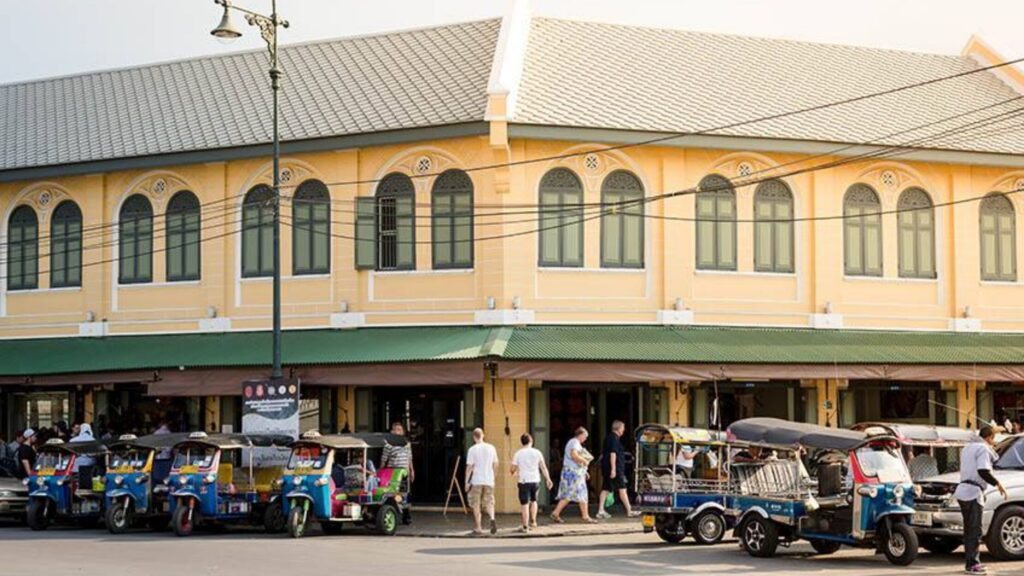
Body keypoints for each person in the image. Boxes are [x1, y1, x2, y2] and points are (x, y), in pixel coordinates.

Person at [955, 425, 1007, 575]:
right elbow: (983, 471)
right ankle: (973, 565)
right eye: (993, 438)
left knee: (968, 529)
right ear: (989, 437)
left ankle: (970, 563)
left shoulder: (968, 448)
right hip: (973, 492)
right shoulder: (983, 449)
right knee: (975, 530)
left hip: (963, 491)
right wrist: (997, 484)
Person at [550, 427, 596, 524]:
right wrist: (584, 461)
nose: (585, 438)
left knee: (575, 493)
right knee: (573, 493)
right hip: (573, 473)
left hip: (574, 472)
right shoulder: (574, 442)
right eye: (585, 436)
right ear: (580, 435)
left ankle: (584, 515)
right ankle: (584, 516)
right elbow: (574, 455)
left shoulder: (575, 443)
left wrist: (584, 470)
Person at [511, 433, 553, 532]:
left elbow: (512, 468)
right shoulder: (537, 452)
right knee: (534, 501)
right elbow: (543, 467)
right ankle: (533, 521)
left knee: (524, 503)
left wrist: (513, 472)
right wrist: (548, 479)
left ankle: (525, 526)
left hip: (524, 480)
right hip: (535, 480)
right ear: (531, 441)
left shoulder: (518, 453)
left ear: (522, 442)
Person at [597, 421, 638, 519]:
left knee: (606, 489)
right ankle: (629, 510)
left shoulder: (609, 438)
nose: (624, 430)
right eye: (623, 428)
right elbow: (613, 454)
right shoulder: (614, 439)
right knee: (622, 489)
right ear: (618, 428)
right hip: (614, 469)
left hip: (609, 468)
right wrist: (613, 470)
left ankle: (601, 510)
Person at [464, 427, 499, 535]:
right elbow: (496, 464)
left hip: (477, 480)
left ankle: (478, 527)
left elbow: (469, 467)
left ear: (474, 437)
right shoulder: (491, 448)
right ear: (483, 435)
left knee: (476, 504)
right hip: (489, 480)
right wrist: (493, 477)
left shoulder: (472, 449)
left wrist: (466, 482)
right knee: (489, 501)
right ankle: (492, 518)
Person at [380, 421, 415, 523]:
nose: (398, 432)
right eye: (396, 430)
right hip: (392, 473)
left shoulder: (407, 444)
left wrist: (412, 470)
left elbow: (409, 458)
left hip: (404, 473)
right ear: (392, 431)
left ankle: (406, 515)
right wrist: (380, 472)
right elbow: (384, 459)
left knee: (405, 494)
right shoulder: (388, 445)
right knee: (393, 494)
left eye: (400, 430)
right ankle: (393, 513)